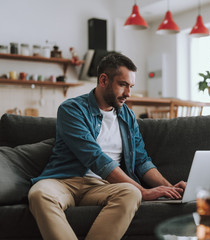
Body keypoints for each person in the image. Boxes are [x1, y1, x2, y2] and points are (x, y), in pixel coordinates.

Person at [28, 52, 186, 240]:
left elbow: (142, 160)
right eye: (123, 85)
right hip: (63, 181)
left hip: (102, 186)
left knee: (131, 193)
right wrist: (144, 191)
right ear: (103, 80)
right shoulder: (71, 109)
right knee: (39, 194)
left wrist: (170, 189)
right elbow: (94, 157)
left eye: (131, 87)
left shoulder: (127, 116)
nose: (128, 93)